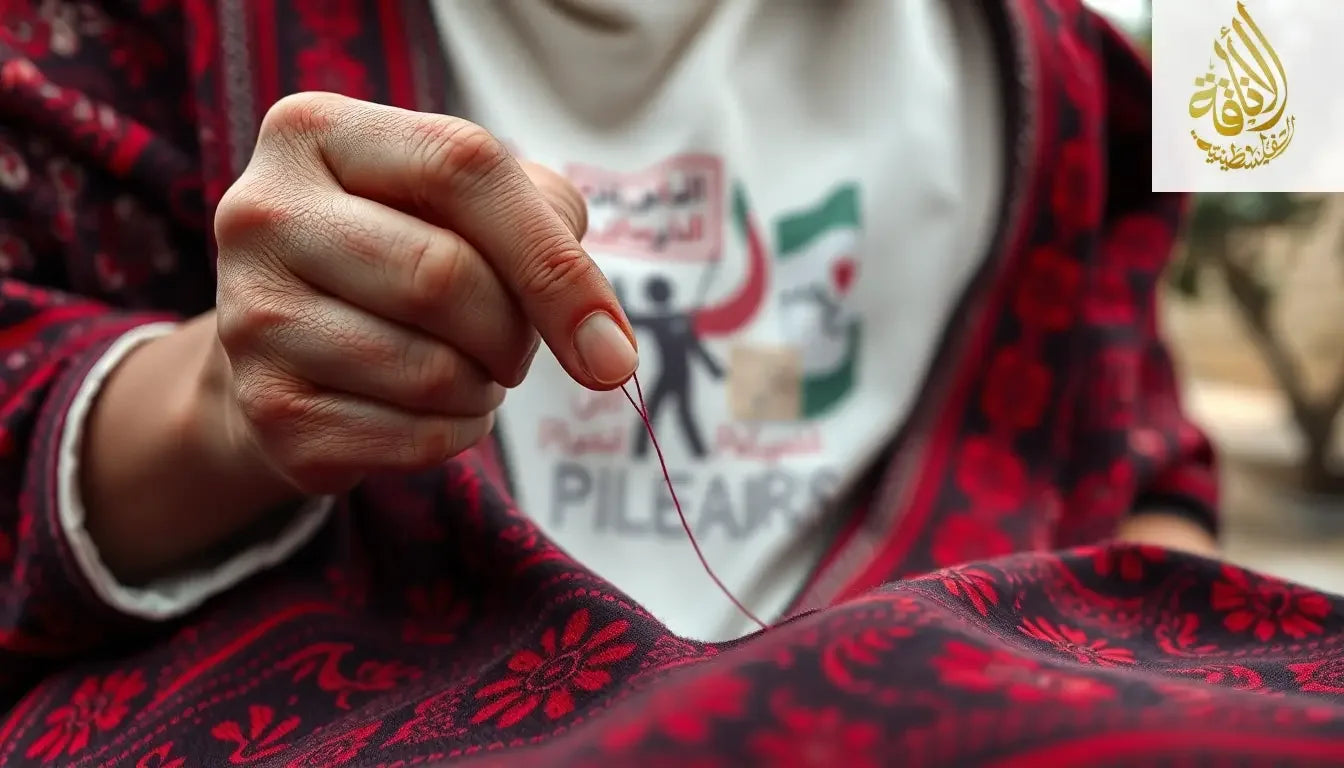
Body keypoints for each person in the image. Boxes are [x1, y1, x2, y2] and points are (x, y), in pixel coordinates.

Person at [0, 1, 1339, 766]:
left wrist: (1152, 641)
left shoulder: (1059, 83)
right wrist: (227, 401)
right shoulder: (121, 33)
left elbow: (1136, 456)